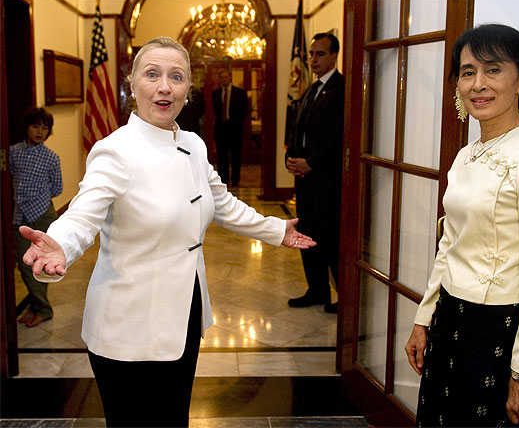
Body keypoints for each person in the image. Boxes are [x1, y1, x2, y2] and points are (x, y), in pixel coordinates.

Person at [19, 36, 315, 428]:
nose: (164, 86)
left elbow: (221, 203)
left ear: (187, 89)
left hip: (184, 312)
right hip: (129, 325)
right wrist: (60, 245)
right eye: (152, 74)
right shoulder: (115, 150)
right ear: (132, 84)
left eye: (176, 77)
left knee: (174, 419)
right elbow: (84, 212)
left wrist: (276, 230)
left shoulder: (192, 144)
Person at [404, 24, 519, 427]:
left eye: (493, 70)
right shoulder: (466, 156)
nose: (477, 84)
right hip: (449, 317)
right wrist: (424, 318)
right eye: (467, 72)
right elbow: (450, 245)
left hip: (498, 328)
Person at [285, 33, 345, 314]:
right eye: (311, 54)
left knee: (330, 237)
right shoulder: (311, 88)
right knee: (307, 234)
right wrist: (291, 158)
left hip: (326, 180)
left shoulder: (341, 87)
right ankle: (317, 289)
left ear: (334, 56)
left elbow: (337, 137)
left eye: (319, 54)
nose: (313, 59)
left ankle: (342, 296)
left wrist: (312, 162)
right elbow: (300, 128)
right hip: (305, 179)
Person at [10, 106, 62, 328]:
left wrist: (36, 198)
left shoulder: (51, 158)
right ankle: (37, 304)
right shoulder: (12, 152)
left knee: (40, 263)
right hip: (20, 216)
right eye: (35, 126)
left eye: (45, 127)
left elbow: (57, 189)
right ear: (26, 128)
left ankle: (43, 309)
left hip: (42, 216)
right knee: (24, 265)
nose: (40, 131)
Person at [212, 68, 247, 186]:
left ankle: (235, 180)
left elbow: (244, 111)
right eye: (222, 77)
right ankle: (224, 180)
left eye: (226, 77)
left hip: (235, 129)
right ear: (220, 79)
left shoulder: (240, 93)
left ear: (229, 78)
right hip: (221, 130)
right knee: (222, 157)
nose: (224, 79)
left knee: (236, 156)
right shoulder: (215, 93)